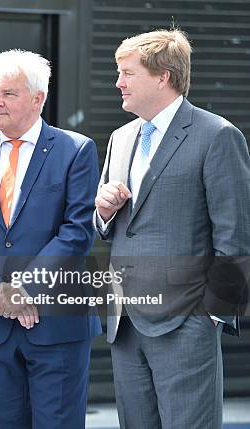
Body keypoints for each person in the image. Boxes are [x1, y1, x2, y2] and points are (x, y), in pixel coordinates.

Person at [95, 29, 250, 428]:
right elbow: (111, 227)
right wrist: (105, 212)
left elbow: (234, 236)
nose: (118, 83)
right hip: (124, 321)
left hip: (186, 323)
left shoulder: (217, 135)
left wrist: (212, 316)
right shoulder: (121, 137)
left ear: (162, 76)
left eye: (127, 73)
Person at [0, 49, 101, 429]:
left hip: (56, 323)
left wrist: (23, 288)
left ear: (38, 98)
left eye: (8, 94)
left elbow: (78, 231)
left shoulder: (75, 150)